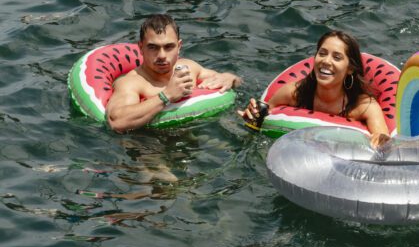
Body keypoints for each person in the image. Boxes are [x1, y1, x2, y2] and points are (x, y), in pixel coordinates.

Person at [239, 30, 390, 147]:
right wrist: (252, 116)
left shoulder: (363, 106)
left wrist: (380, 139)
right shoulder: (293, 93)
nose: (326, 61)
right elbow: (262, 119)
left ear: (350, 68)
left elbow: (383, 139)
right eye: (322, 54)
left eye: (336, 57)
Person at [106, 14, 242, 132]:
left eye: (168, 47)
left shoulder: (189, 68)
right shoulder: (131, 83)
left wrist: (230, 78)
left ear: (179, 46)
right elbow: (116, 121)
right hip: (148, 144)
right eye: (153, 47)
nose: (162, 55)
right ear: (141, 47)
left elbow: (232, 81)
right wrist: (167, 95)